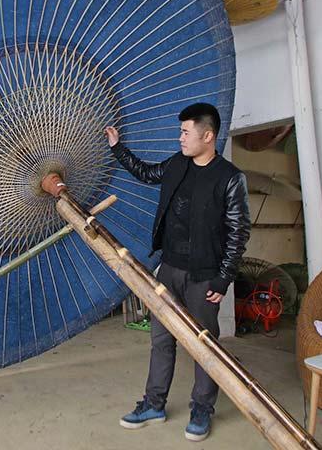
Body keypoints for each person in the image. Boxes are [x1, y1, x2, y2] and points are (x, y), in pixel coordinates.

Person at [105, 102, 250, 442]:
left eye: (186, 132)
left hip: (203, 276)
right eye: (181, 132)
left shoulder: (230, 178)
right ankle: (154, 403)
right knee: (161, 340)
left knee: (204, 345)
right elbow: (146, 173)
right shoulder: (176, 164)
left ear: (208, 135)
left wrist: (223, 278)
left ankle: (202, 408)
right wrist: (117, 148)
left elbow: (238, 232)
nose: (180, 138)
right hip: (167, 268)